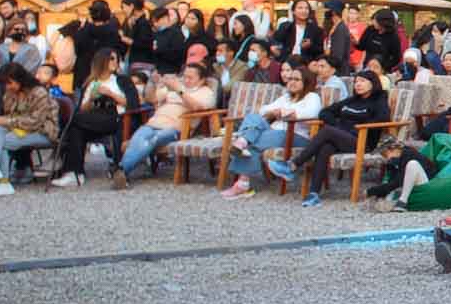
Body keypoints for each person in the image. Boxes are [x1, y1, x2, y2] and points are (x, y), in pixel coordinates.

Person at [272, 70, 390, 206]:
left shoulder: (379, 99)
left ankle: (292, 165)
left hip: (362, 141)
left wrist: (355, 127)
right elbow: (325, 112)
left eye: (362, 81)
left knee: (328, 131)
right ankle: (313, 194)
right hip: (342, 138)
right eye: (356, 81)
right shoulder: (352, 100)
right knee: (325, 147)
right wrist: (337, 125)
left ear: (373, 83)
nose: (358, 84)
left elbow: (383, 118)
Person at [220, 64, 322, 200]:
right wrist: (273, 112)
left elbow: (312, 113)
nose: (291, 82)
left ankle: (243, 182)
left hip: (297, 136)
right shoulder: (286, 97)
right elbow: (263, 110)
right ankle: (242, 142)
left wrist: (287, 112)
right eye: (290, 79)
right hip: (275, 132)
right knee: (253, 117)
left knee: (254, 140)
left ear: (306, 82)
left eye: (296, 79)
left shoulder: (312, 97)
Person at [116, 63, 217, 188]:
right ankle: (121, 173)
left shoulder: (206, 93)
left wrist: (179, 90)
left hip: (175, 129)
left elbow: (196, 107)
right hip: (153, 123)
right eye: (184, 76)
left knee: (151, 139)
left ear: (201, 80)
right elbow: (151, 99)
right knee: (142, 135)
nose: (186, 80)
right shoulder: (175, 88)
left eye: (190, 78)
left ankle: (121, 170)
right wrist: (153, 83)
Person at [0, 63, 61, 197]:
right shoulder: (10, 93)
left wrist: (6, 121)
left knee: (3, 141)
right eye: (5, 84)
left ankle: (4, 182)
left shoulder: (39, 93)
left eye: (10, 83)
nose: (7, 87)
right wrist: (0, 120)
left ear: (20, 79)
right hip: (18, 128)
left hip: (43, 132)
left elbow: (35, 122)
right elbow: (9, 114)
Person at [49, 49, 128, 188]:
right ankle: (75, 174)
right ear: (102, 61)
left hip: (115, 117)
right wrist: (91, 99)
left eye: (116, 59)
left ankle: (58, 153)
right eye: (112, 58)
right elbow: (83, 109)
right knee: (76, 129)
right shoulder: (91, 83)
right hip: (93, 116)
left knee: (73, 120)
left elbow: (131, 103)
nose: (115, 62)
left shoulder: (121, 80)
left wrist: (110, 94)